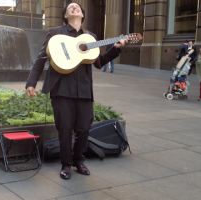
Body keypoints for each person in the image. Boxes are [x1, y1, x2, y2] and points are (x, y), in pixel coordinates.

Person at [25, 3, 127, 180]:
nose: (75, 7)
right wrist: (31, 82)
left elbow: (98, 62)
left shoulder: (90, 37)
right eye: (70, 7)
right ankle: (66, 164)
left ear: (82, 14)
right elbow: (41, 58)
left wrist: (115, 48)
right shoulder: (56, 33)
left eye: (78, 6)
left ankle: (79, 161)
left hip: (84, 89)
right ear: (65, 15)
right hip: (61, 88)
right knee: (64, 129)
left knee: (84, 128)